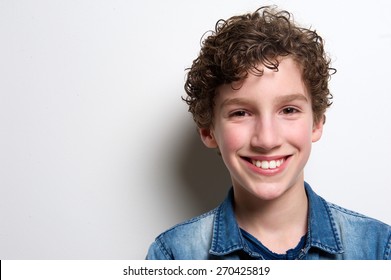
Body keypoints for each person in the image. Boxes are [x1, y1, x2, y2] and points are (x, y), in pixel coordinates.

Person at [146, 6, 391, 260]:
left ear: (316, 123)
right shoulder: (173, 255)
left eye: (288, 110)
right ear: (209, 131)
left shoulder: (378, 248)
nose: (267, 139)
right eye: (241, 113)